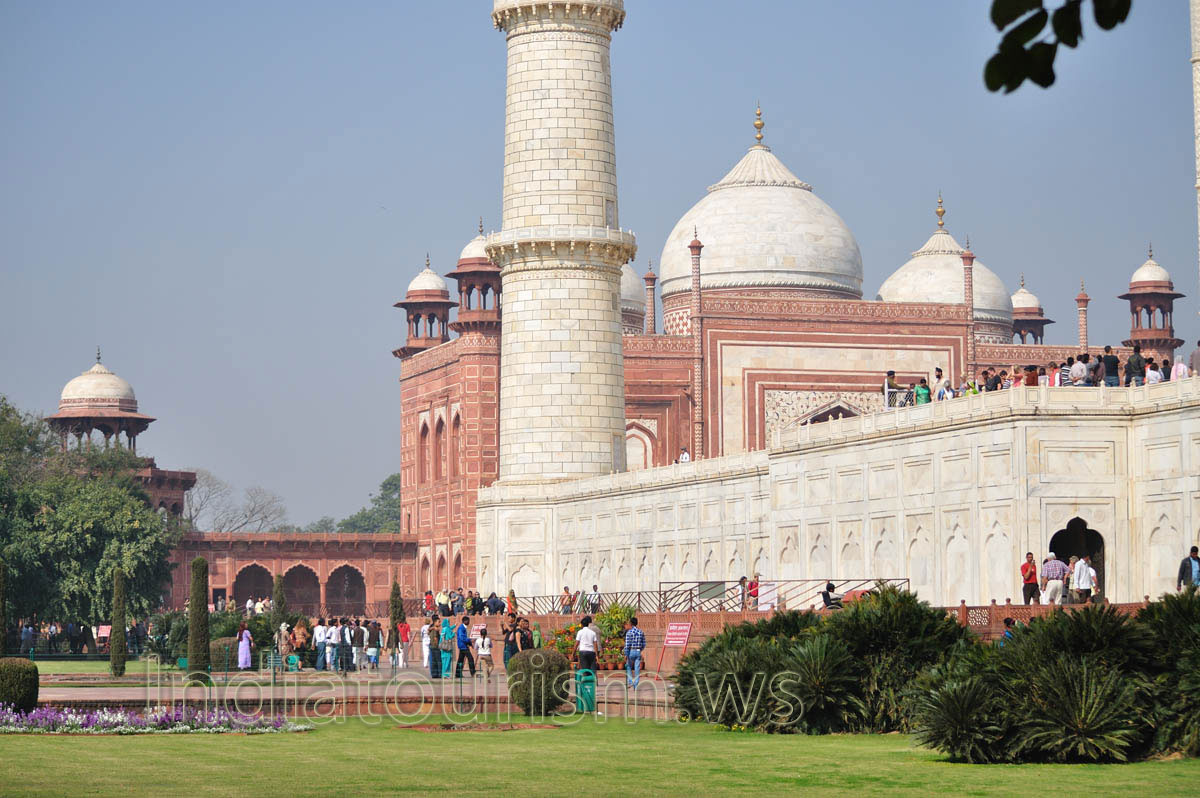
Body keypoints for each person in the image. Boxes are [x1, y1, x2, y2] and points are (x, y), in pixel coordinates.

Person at [623, 617, 646, 689]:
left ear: (631, 623)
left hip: (631, 651)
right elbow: (644, 643)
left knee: (628, 666)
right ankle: (636, 685)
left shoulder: (629, 632)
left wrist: (626, 654)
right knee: (637, 668)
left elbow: (627, 644)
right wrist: (640, 649)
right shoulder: (641, 632)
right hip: (638, 651)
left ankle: (630, 682)